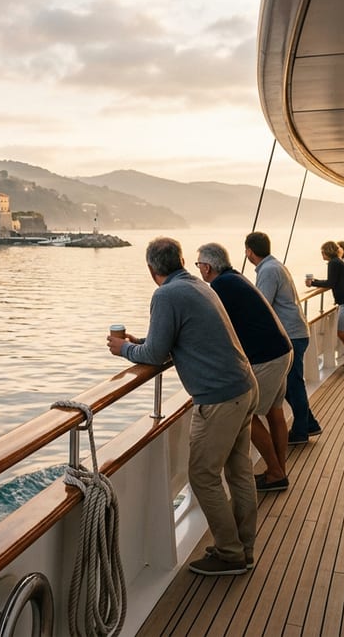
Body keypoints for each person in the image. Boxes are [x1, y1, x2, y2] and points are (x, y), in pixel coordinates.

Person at [107, 237, 258, 576]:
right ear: (182, 260)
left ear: (151, 269)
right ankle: (244, 548)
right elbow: (173, 337)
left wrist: (123, 349)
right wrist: (140, 341)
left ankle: (230, 553)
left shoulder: (165, 294)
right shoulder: (196, 286)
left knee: (202, 476)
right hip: (244, 387)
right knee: (239, 471)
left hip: (219, 398)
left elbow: (155, 355)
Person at [195, 242, 292, 492]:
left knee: (245, 415)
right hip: (281, 349)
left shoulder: (220, 286)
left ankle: (275, 472)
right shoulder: (235, 278)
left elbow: (210, 325)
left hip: (266, 357)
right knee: (274, 411)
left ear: (206, 267)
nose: (198, 270)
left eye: (198, 265)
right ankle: (278, 471)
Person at [245, 231, 323, 445]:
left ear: (249, 251)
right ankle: (309, 424)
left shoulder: (268, 271)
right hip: (296, 331)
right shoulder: (275, 266)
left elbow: (262, 305)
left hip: (291, 334)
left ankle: (301, 432)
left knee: (292, 384)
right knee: (291, 383)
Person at [306, 240, 344, 369]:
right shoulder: (338, 262)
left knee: (342, 332)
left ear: (327, 252)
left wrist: (313, 283)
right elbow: (333, 281)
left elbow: (330, 283)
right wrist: (315, 281)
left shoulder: (333, 263)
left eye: (322, 252)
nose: (321, 254)